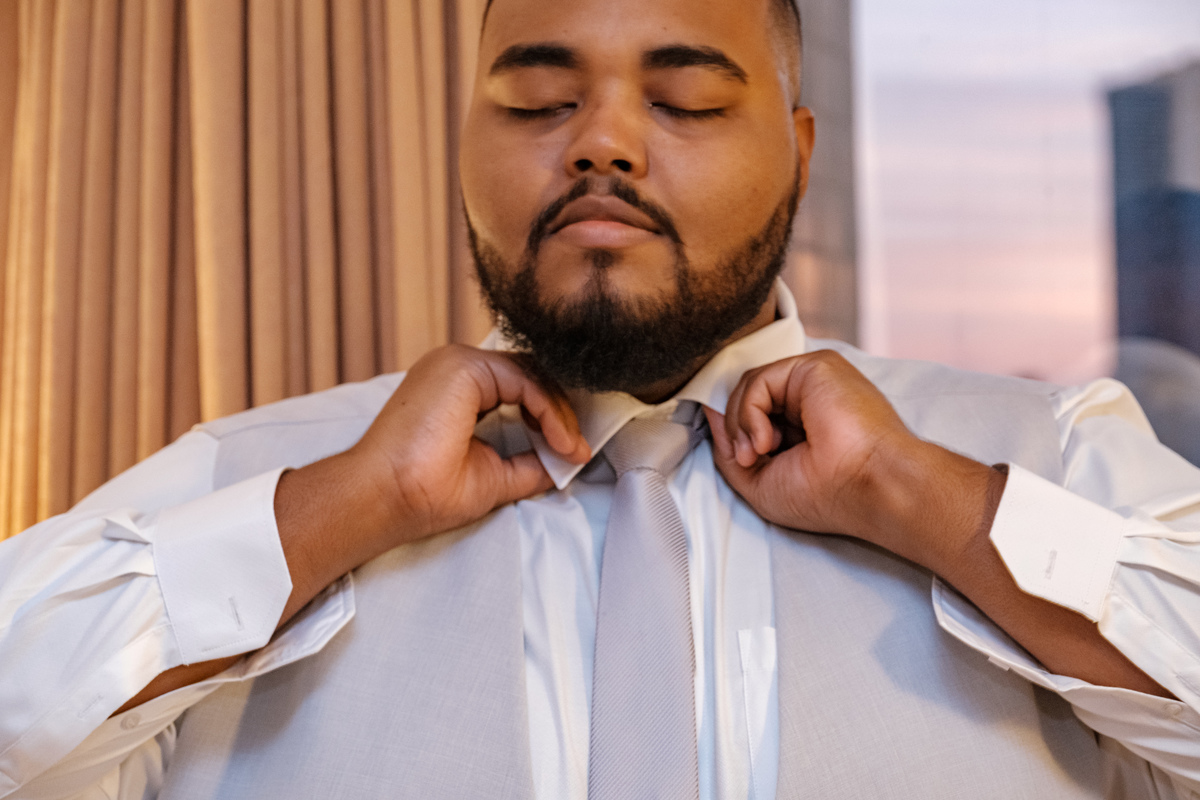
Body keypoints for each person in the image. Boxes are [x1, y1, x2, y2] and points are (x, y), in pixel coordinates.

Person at [3, 0, 1200, 797]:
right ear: (463, 144)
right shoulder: (256, 478)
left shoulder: (1047, 456)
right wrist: (337, 509)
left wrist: (923, 498)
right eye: (537, 101)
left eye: (685, 101)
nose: (603, 144)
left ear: (799, 151)